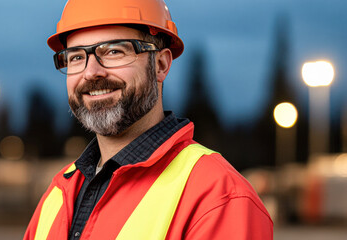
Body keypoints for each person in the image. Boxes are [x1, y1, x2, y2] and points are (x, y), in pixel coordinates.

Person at [24, 0, 273, 239]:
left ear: (161, 65)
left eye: (113, 51)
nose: (91, 72)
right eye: (76, 57)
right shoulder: (58, 193)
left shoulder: (218, 197)